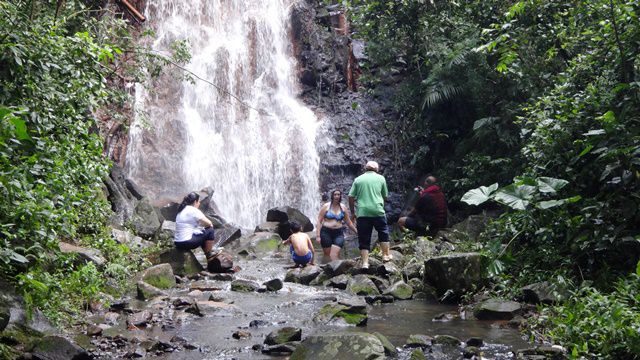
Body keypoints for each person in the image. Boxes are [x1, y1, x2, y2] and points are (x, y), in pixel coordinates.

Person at [348, 160, 391, 268]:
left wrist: (353, 212)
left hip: (362, 212)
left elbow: (350, 196)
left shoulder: (358, 179)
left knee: (363, 237)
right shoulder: (381, 178)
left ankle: (365, 263)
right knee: (383, 232)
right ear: (376, 169)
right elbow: (385, 196)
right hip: (377, 210)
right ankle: (385, 255)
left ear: (365, 168)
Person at [174, 192, 222, 260]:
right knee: (210, 229)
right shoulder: (193, 210)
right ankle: (209, 254)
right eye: (199, 201)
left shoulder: (181, 210)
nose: (199, 203)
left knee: (201, 232)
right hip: (186, 242)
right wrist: (206, 226)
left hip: (178, 242)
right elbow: (209, 223)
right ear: (195, 201)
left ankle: (208, 254)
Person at [316, 189, 358, 261]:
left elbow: (348, 222)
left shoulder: (343, 207)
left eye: (338, 195)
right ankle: (328, 269)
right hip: (326, 232)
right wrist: (318, 236)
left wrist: (356, 231)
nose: (337, 196)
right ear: (332, 196)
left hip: (338, 233)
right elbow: (319, 221)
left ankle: (336, 269)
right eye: (335, 194)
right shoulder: (326, 206)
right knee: (327, 255)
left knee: (334, 254)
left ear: (340, 196)